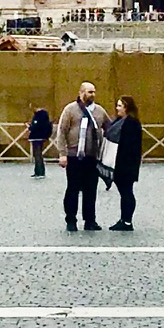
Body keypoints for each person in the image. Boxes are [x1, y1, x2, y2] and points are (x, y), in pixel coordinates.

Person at [56, 81, 109, 232]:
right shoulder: (70, 109)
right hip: (74, 156)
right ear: (81, 92)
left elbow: (110, 128)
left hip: (92, 157)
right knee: (72, 189)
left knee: (91, 190)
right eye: (89, 92)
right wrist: (62, 154)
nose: (92, 95)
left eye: (94, 92)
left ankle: (90, 220)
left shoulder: (99, 111)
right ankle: (71, 220)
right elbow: (62, 132)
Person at [106, 95, 144, 231]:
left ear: (126, 107)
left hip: (126, 164)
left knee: (127, 192)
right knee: (124, 192)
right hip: (120, 163)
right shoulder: (120, 121)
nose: (117, 108)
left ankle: (127, 221)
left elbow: (131, 146)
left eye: (120, 106)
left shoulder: (132, 123)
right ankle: (124, 219)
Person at [27, 106, 53, 177]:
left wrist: (30, 127)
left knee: (37, 155)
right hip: (42, 137)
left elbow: (35, 126)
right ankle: (40, 171)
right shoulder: (45, 116)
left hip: (37, 137)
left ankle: (39, 171)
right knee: (38, 155)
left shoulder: (39, 116)